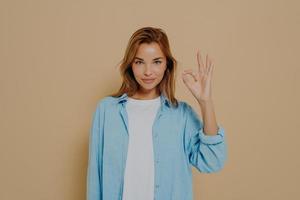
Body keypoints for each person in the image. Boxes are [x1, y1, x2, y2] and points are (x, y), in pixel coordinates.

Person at [86, 26, 228, 200]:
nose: (148, 71)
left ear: (167, 65)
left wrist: (206, 102)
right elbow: (95, 177)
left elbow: (212, 161)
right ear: (130, 65)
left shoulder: (181, 115)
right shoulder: (107, 111)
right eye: (139, 62)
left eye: (157, 62)